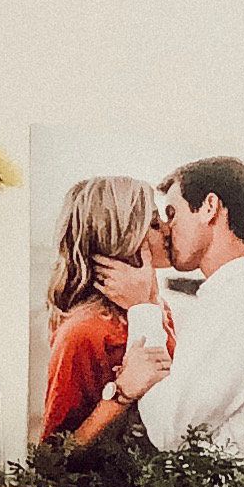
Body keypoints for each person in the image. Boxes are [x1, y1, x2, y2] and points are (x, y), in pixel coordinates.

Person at [98, 154, 244, 472]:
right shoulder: (238, 296)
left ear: (210, 207)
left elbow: (167, 431)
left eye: (172, 213)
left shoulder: (240, 304)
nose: (167, 230)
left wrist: (142, 306)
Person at [35, 177, 173, 452]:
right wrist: (121, 394)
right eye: (154, 224)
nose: (168, 230)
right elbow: (52, 459)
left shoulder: (159, 311)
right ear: (123, 240)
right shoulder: (84, 331)